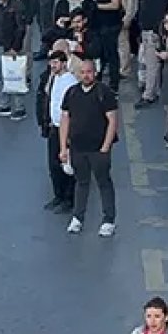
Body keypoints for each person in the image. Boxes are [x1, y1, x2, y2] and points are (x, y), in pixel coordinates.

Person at [59, 59, 119, 237]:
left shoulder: (104, 93)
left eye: (89, 72)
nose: (86, 75)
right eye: (83, 72)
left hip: (98, 149)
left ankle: (109, 220)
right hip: (77, 148)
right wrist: (64, 147)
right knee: (81, 182)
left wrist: (105, 147)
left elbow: (113, 120)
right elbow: (65, 119)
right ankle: (78, 217)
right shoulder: (71, 93)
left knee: (104, 183)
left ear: (95, 73)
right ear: (78, 74)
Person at [37, 51, 77, 215]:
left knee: (65, 165)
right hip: (54, 126)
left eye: (56, 62)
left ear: (64, 63)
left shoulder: (70, 82)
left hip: (65, 129)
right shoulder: (54, 78)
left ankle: (69, 199)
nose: (53, 66)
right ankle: (58, 195)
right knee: (53, 165)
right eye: (51, 62)